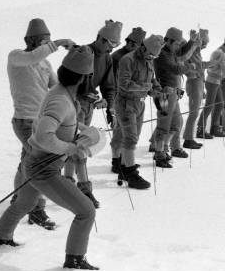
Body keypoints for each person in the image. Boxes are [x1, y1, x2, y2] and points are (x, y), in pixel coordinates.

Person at [0, 45, 103, 270]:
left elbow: (60, 123)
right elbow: (44, 135)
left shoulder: (60, 93)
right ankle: (75, 258)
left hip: (32, 161)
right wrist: (69, 148)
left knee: (26, 201)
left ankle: (1, 237)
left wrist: (85, 130)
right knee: (86, 211)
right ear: (84, 78)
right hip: (44, 169)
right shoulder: (61, 100)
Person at [7, 18, 74, 230]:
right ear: (33, 40)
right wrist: (60, 42)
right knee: (39, 164)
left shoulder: (45, 63)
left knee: (27, 162)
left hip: (38, 122)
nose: (48, 44)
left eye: (50, 40)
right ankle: (36, 209)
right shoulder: (16, 57)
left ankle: (20, 199)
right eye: (45, 40)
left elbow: (56, 86)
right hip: (24, 121)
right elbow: (34, 56)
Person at [64, 20, 122, 208]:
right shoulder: (83, 52)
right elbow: (68, 80)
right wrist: (86, 94)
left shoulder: (106, 58)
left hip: (87, 107)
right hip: (71, 106)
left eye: (116, 45)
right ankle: (78, 189)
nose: (111, 49)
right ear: (100, 38)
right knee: (74, 148)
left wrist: (110, 105)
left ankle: (72, 187)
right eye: (110, 44)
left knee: (79, 147)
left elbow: (108, 85)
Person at [110, 35, 164, 188]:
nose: (152, 58)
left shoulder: (149, 59)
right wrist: (146, 88)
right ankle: (130, 174)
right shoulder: (128, 60)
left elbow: (151, 78)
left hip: (139, 103)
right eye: (151, 54)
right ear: (144, 47)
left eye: (155, 56)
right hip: (126, 103)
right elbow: (124, 84)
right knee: (131, 139)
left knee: (129, 136)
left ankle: (122, 166)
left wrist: (157, 89)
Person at [151, 27, 198, 167]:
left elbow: (182, 51)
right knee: (163, 125)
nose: (178, 46)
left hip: (173, 94)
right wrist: (190, 67)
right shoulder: (161, 54)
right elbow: (176, 69)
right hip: (164, 94)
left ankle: (164, 147)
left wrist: (191, 41)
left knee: (176, 123)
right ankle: (159, 153)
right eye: (176, 43)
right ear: (169, 41)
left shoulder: (171, 51)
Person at [109, 27, 146, 175]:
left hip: (133, 98)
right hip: (121, 99)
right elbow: (112, 80)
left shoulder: (136, 57)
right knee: (120, 132)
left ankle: (124, 161)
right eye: (136, 44)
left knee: (127, 133)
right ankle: (116, 161)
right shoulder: (119, 57)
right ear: (130, 43)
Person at [197, 39, 225, 138]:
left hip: (215, 82)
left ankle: (214, 127)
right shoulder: (221, 54)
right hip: (213, 82)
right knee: (209, 105)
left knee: (220, 104)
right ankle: (200, 129)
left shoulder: (218, 52)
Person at [182, 29, 209, 149]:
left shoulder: (197, 52)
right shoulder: (191, 51)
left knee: (195, 112)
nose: (205, 46)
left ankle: (189, 137)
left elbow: (200, 66)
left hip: (198, 83)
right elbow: (190, 66)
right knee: (193, 113)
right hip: (193, 82)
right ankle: (188, 139)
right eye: (204, 43)